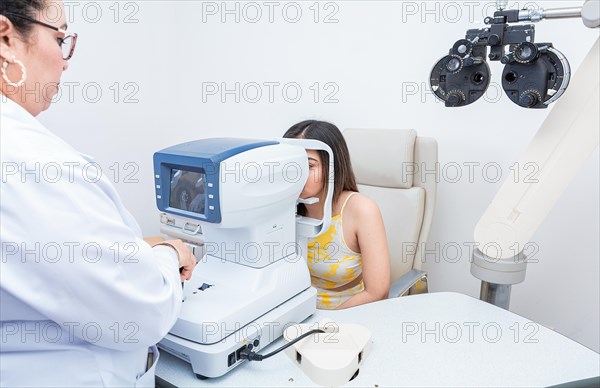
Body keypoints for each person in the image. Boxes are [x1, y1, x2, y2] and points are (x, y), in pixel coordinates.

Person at [0, 1, 196, 386]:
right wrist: (170, 254)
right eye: (60, 40)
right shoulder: (30, 160)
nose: (65, 61)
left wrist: (136, 251)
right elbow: (141, 311)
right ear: (5, 38)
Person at [284, 120, 391, 309]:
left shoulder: (362, 210)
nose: (297, 175)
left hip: (348, 315)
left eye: (309, 166)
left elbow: (377, 292)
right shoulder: (283, 208)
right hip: (297, 310)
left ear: (332, 166)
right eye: (292, 165)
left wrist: (326, 321)